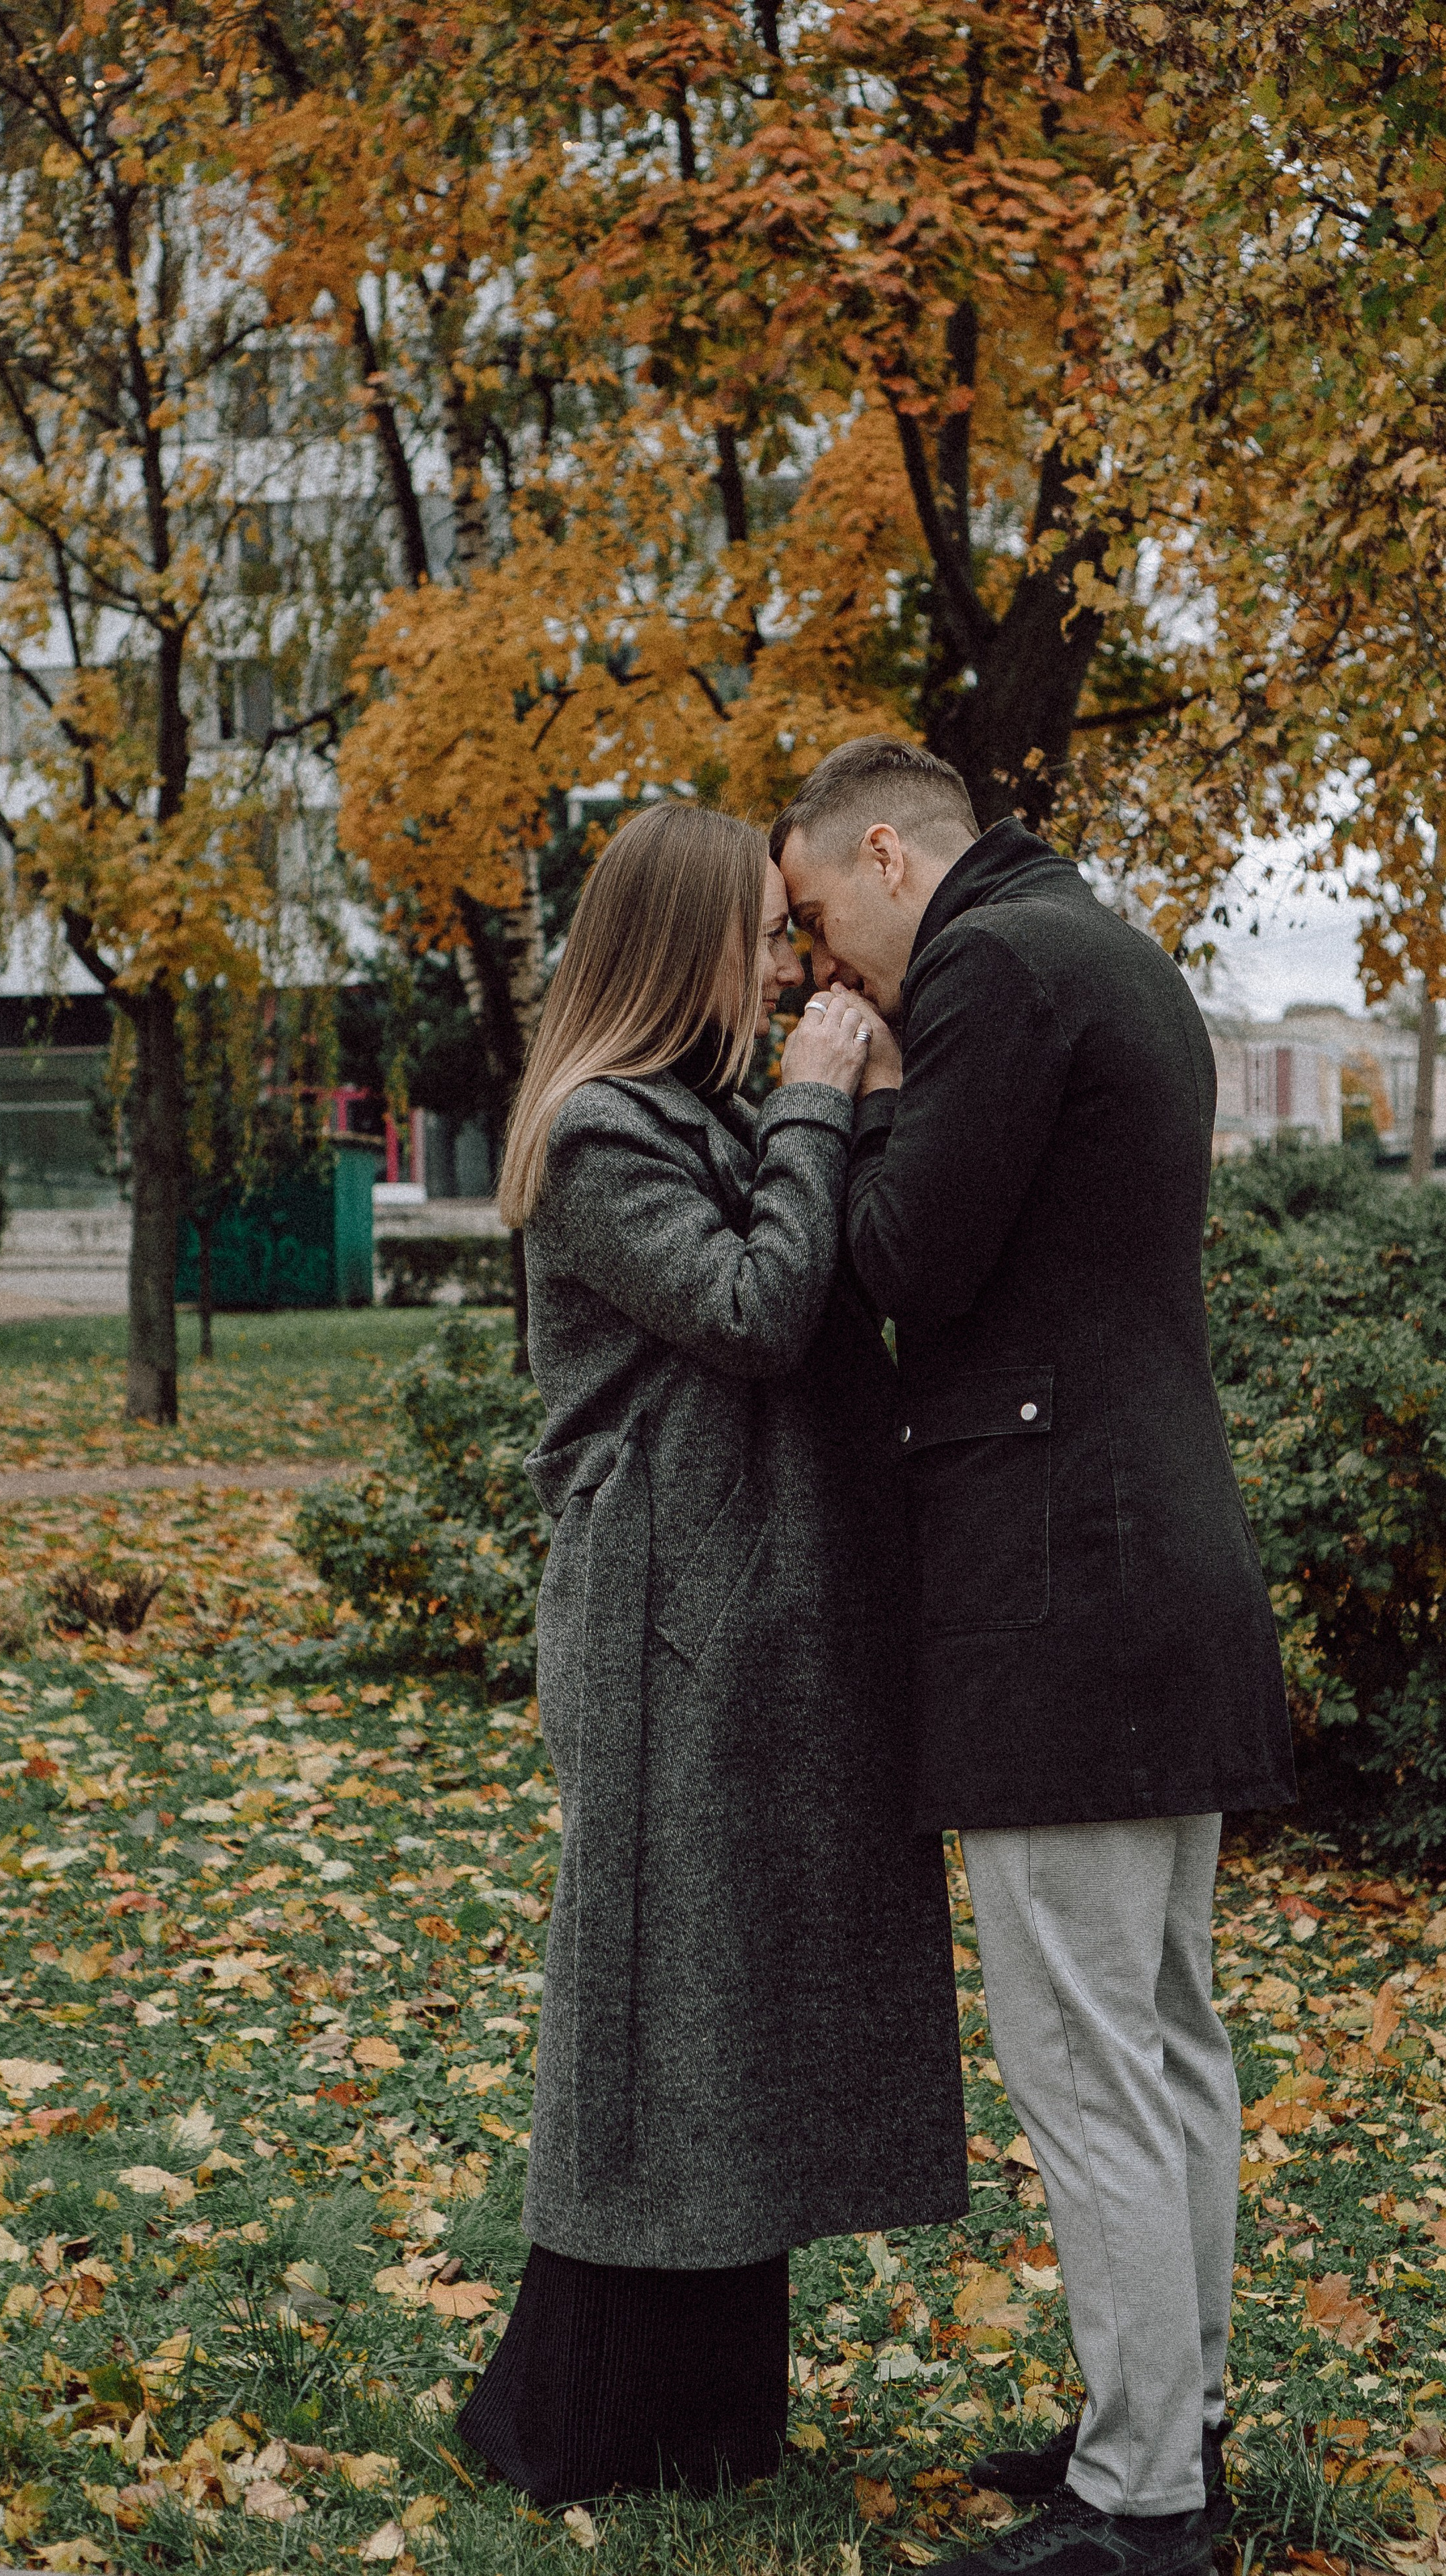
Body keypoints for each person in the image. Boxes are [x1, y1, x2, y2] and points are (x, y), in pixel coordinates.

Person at [774, 738, 1296, 2576]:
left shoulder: (988, 965)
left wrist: (845, 1099)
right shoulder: (1108, 946)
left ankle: (1140, 2503)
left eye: (817, 916)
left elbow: (905, 1261)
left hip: (1060, 1581)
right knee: (1164, 2033)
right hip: (1156, 1552)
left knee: (1085, 2059)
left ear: (888, 852)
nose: (818, 963)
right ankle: (1173, 2417)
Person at [458, 799, 968, 2508]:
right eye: (757, 935)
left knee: (729, 1996)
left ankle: (706, 2416)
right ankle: (583, 2416)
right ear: (679, 944)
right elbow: (753, 1310)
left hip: (749, 1608)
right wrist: (818, 1101)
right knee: (657, 1991)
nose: (784, 964)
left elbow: (827, 1273)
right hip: (665, 1617)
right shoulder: (597, 1129)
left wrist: (844, 1110)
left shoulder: (703, 1115)